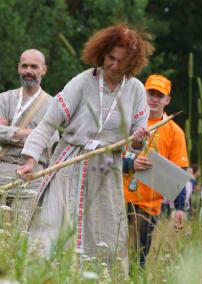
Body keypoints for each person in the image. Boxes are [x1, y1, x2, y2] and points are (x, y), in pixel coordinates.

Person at [17, 25, 153, 269]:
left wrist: (138, 139)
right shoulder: (82, 81)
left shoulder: (136, 90)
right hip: (70, 162)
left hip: (107, 169)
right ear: (102, 53)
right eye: (111, 58)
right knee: (53, 226)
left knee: (105, 236)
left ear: (131, 62)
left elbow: (136, 141)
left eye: (121, 61)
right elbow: (48, 123)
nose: (113, 65)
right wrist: (30, 158)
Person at [0, 49, 59, 229]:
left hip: (32, 178)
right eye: (24, 66)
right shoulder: (4, 99)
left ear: (44, 70)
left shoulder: (53, 105)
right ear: (19, 68)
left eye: (34, 66)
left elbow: (50, 140)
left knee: (21, 233)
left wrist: (10, 130)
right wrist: (34, 132)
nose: (28, 70)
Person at [123, 74, 188, 268]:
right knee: (109, 257)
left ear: (167, 99)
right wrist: (130, 165)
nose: (154, 98)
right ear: (143, 93)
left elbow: (178, 173)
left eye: (160, 95)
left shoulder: (175, 132)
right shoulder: (127, 122)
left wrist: (180, 208)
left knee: (136, 262)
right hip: (116, 199)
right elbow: (106, 158)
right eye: (151, 93)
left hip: (147, 208)